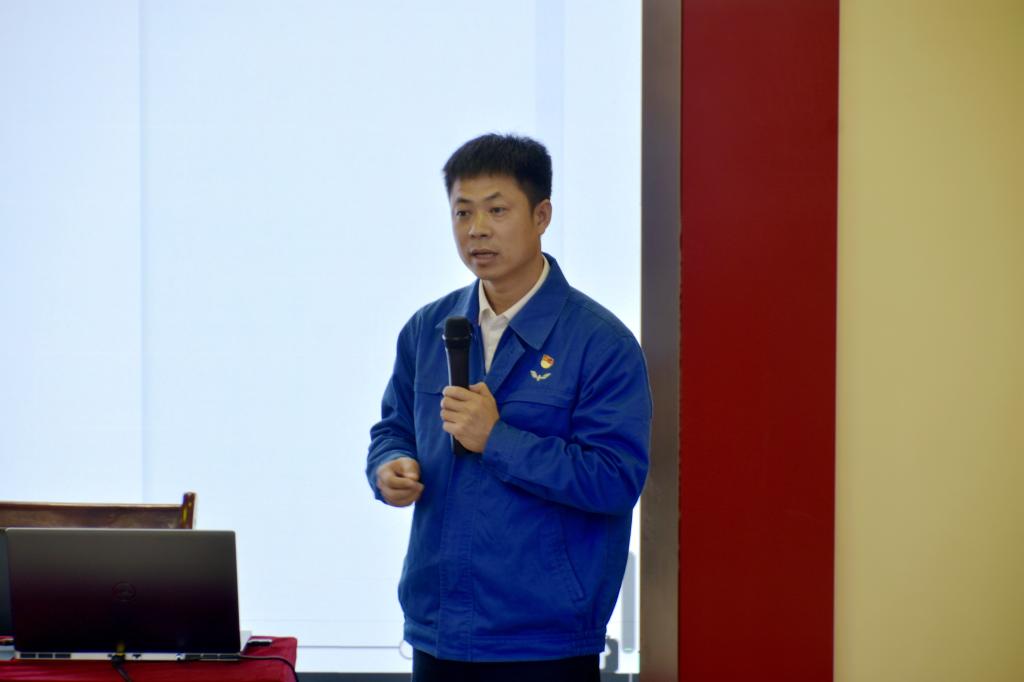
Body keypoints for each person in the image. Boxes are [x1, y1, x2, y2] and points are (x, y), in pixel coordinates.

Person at [366, 133, 651, 682]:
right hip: (438, 629)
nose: (476, 229)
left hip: (544, 642)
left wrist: (497, 440)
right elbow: (394, 428)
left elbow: (615, 479)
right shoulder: (428, 329)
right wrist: (388, 466)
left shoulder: (600, 342)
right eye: (463, 212)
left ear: (541, 215)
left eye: (497, 210)